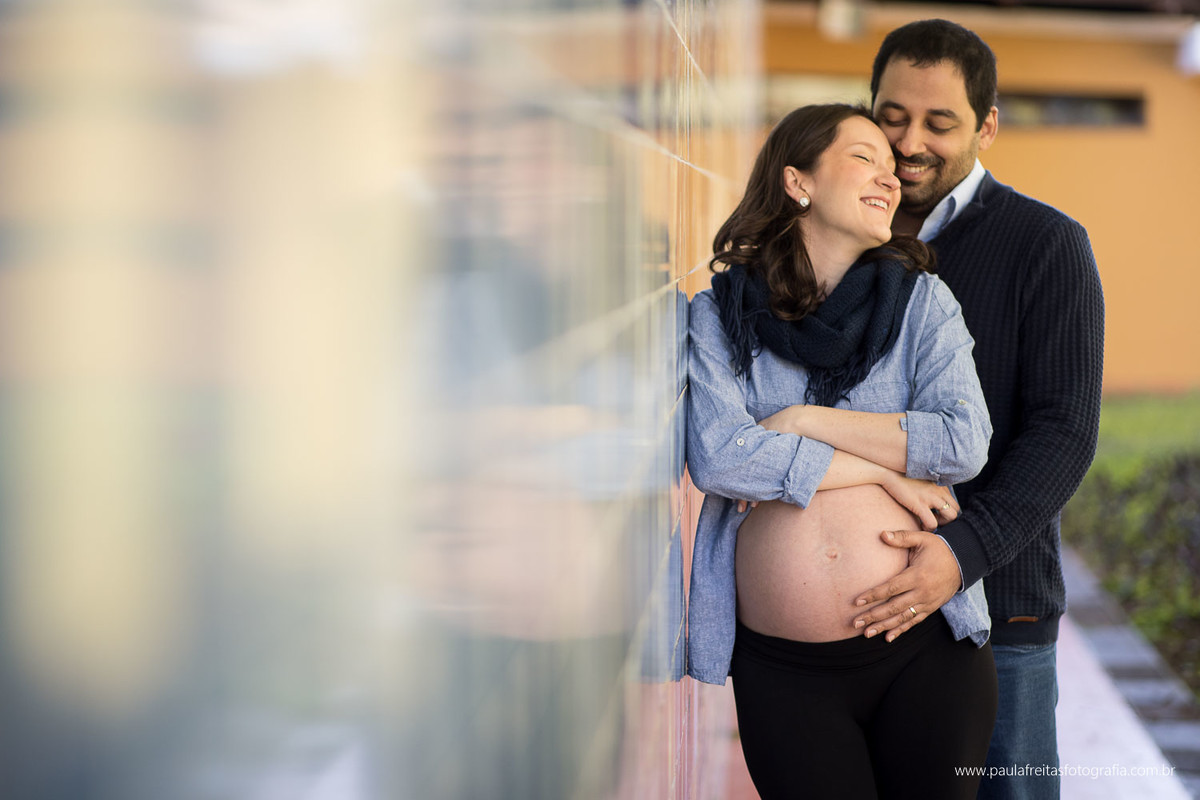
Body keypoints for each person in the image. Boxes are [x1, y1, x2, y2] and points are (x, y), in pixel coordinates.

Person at [686, 103, 997, 799]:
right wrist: (881, 474)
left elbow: (963, 442)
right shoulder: (721, 314)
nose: (889, 178)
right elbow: (720, 458)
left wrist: (801, 419)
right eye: (865, 158)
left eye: (893, 171)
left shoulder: (924, 305)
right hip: (783, 671)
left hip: (926, 650)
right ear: (797, 182)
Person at [848, 20, 1105, 800]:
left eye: (939, 122)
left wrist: (960, 555)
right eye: (892, 117)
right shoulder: (839, 238)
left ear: (987, 125)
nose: (909, 141)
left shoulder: (1048, 244)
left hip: (1001, 622)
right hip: (855, 620)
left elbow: (1063, 433)